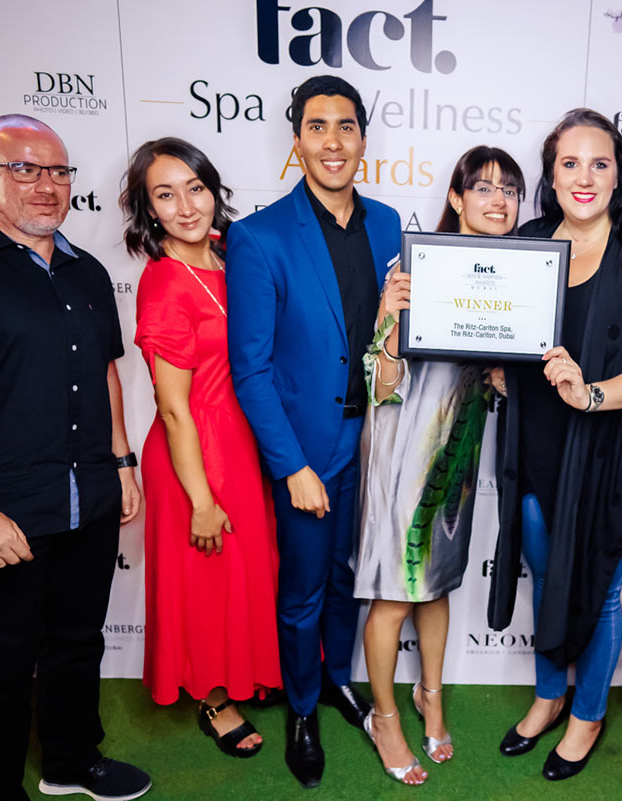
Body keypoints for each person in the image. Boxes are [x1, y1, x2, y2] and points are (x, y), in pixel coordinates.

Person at [0, 114, 150, 801]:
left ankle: (70, 761)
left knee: (77, 643)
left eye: (58, 171)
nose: (46, 185)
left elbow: (104, 373)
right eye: (24, 168)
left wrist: (122, 463)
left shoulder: (88, 271)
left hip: (87, 498)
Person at [489, 108, 622, 781]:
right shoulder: (526, 243)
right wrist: (493, 362)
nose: (584, 176)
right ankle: (549, 695)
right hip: (534, 450)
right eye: (569, 163)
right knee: (547, 576)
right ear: (550, 176)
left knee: (601, 592)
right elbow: (498, 327)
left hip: (614, 456)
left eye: (599, 163)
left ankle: (588, 713)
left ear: (618, 175)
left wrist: (593, 394)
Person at [226, 75, 401, 789]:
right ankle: (302, 708)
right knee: (301, 588)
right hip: (306, 449)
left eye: (346, 126)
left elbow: (394, 334)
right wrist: (292, 465)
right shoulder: (258, 236)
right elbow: (251, 370)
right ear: (297, 139)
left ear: (363, 138)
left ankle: (335, 680)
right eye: (318, 126)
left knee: (347, 580)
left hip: (376, 441)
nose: (333, 142)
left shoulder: (388, 223)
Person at [355, 146, 526, 785]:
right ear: (455, 198)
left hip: (458, 445)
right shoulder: (413, 266)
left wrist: (505, 374)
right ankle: (384, 718)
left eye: (510, 190)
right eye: (482, 188)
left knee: (437, 581)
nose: (498, 201)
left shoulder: (516, 277)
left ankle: (431, 695)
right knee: (394, 591)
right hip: (402, 445)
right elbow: (381, 384)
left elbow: (496, 376)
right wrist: (389, 320)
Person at [120, 138, 282, 757]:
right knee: (207, 579)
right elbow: (172, 408)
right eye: (165, 195)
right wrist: (202, 500)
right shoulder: (164, 283)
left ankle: (244, 674)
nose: (186, 207)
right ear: (148, 208)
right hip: (196, 449)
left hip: (243, 442)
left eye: (195, 188)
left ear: (214, 190)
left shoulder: (229, 253)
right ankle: (214, 699)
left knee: (244, 574)